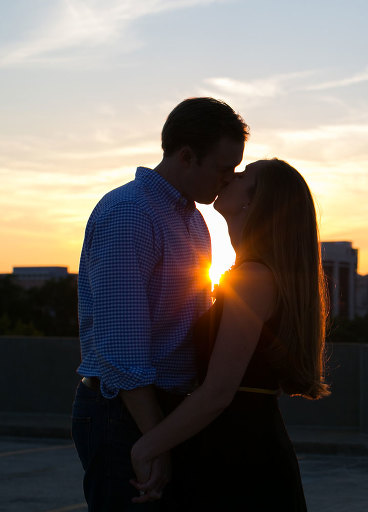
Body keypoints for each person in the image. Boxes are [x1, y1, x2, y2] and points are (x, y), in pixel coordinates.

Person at [71, 97, 249, 510]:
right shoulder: (131, 213)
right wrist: (155, 441)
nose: (229, 179)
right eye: (224, 168)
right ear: (187, 156)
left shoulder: (190, 217)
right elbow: (121, 351)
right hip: (123, 413)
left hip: (159, 410)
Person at [129, 159, 330, 511]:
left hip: (238, 454)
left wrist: (146, 447)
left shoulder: (251, 278)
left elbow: (218, 391)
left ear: (252, 202)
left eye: (243, 174)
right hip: (246, 445)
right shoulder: (256, 273)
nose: (229, 175)